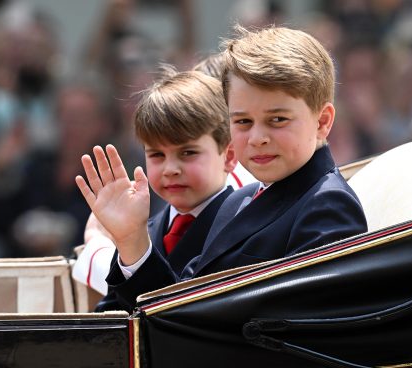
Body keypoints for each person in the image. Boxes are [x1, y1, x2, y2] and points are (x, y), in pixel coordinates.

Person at [76, 25, 368, 311]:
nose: (257, 138)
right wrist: (132, 240)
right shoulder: (238, 201)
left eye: (277, 119)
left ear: (322, 121)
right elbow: (176, 309)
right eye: (242, 122)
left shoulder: (326, 205)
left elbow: (308, 333)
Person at [88, 67, 238, 310]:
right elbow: (113, 315)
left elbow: (178, 314)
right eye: (157, 154)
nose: (170, 169)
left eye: (188, 153)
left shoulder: (243, 224)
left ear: (229, 155)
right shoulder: (146, 228)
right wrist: (128, 238)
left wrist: (134, 245)